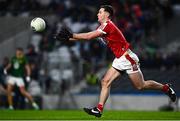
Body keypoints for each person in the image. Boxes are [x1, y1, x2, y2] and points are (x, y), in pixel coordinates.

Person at [55, 5, 177, 117]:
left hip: (128, 58)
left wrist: (71, 35)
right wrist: (68, 39)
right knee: (105, 82)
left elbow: (88, 36)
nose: (97, 14)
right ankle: (99, 109)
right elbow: (87, 38)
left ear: (107, 15)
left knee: (140, 86)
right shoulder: (103, 27)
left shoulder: (108, 25)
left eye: (100, 12)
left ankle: (165, 88)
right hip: (120, 58)